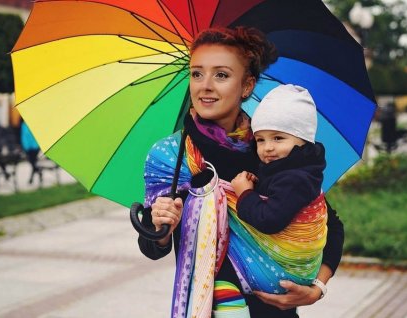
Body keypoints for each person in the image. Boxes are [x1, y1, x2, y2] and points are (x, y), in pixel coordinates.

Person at [137, 26, 344, 318]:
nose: (204, 85)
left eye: (221, 74)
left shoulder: (268, 148)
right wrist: (161, 227)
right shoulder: (172, 156)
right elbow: (151, 246)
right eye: (197, 73)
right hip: (208, 307)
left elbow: (327, 223)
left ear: (246, 86)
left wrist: (317, 289)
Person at [230, 84, 328, 296]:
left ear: (303, 139)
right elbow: (277, 197)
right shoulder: (292, 168)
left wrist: (245, 193)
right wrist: (258, 185)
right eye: (260, 140)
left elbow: (270, 219)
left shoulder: (295, 178)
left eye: (278, 138)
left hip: (285, 275)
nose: (268, 148)